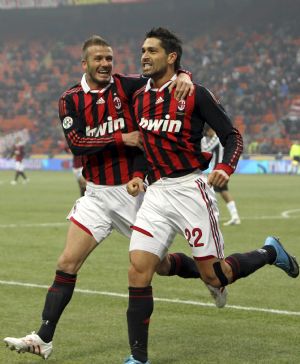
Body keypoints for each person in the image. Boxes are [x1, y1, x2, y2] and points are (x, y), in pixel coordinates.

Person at [3, 35, 223, 361]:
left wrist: (185, 76)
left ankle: (212, 277)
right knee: (66, 262)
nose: (106, 64)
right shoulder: (71, 100)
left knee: (159, 266)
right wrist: (123, 137)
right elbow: (77, 143)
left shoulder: (129, 86)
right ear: (85, 64)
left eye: (110, 59)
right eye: (99, 60)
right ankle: (43, 338)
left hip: (130, 194)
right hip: (95, 195)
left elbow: (168, 71)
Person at [124, 27, 299, 364]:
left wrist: (227, 169)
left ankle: (269, 251)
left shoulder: (196, 93)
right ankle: (138, 357)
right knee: (142, 269)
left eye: (152, 51)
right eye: (143, 50)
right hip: (157, 193)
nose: (144, 55)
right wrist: (135, 175)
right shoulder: (138, 96)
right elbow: (142, 145)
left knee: (216, 276)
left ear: (171, 57)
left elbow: (232, 135)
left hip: (191, 190)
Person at [201, 125, 241, 225]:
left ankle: (212, 218)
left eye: (208, 131)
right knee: (223, 192)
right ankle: (235, 216)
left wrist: (202, 139)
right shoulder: (219, 138)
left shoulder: (216, 138)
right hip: (219, 170)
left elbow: (206, 148)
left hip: (217, 171)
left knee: (207, 193)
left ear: (210, 130)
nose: (207, 133)